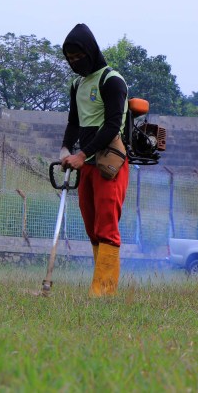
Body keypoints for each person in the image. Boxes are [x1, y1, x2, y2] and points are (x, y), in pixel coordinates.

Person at [59, 23, 129, 297]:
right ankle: (100, 285)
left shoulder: (111, 80)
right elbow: (73, 123)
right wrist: (65, 149)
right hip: (84, 163)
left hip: (108, 163)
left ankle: (104, 290)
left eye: (78, 57)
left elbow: (113, 126)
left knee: (106, 224)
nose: (75, 64)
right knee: (91, 225)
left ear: (91, 51)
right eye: (70, 60)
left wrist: (81, 153)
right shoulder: (77, 84)